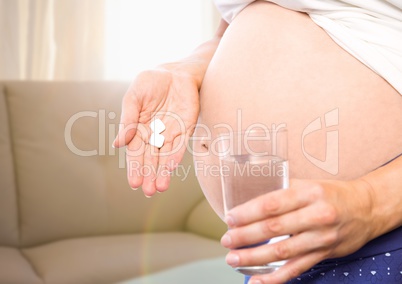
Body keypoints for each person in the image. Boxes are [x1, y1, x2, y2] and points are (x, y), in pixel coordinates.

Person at [113, 1, 402, 283]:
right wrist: (185, 68)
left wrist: (370, 203)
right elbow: (230, 27)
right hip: (267, 247)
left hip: (377, 236)